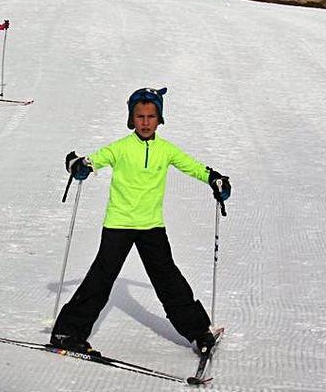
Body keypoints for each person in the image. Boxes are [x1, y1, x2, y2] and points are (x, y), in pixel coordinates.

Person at [51, 87, 232, 357]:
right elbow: (93, 161)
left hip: (151, 226)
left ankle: (198, 332)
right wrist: (79, 165)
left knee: (168, 279)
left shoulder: (166, 150)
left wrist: (215, 179)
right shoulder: (121, 148)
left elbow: (193, 166)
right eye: (140, 116)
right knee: (101, 278)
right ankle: (68, 332)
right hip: (119, 225)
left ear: (160, 118)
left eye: (151, 116)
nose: (145, 122)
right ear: (131, 119)